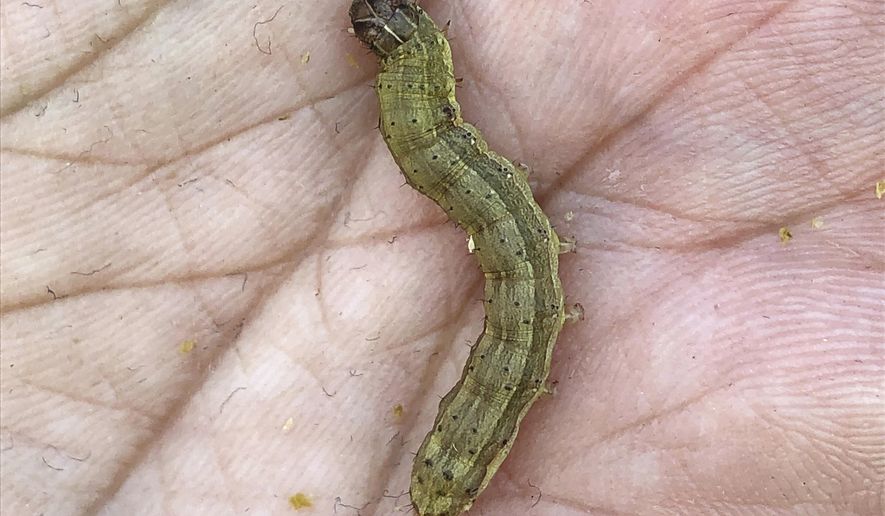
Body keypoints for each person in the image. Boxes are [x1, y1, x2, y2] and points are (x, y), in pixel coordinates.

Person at [1, 1, 882, 514]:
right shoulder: (420, 92)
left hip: (488, 375)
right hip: (475, 405)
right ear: (418, 48)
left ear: (392, 49)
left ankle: (450, 478)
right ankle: (449, 477)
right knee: (515, 267)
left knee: (516, 267)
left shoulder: (421, 97)